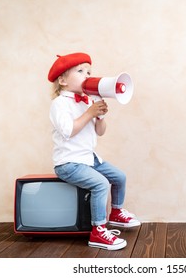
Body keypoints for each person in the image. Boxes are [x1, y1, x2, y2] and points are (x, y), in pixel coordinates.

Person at [48, 52, 140, 251]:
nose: (87, 75)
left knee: (119, 177)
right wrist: (90, 112)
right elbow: (68, 131)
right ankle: (98, 231)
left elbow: (100, 132)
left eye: (89, 71)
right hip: (69, 163)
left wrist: (99, 117)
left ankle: (116, 212)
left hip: (89, 158)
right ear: (62, 80)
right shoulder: (59, 104)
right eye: (80, 71)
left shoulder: (87, 101)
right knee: (100, 184)